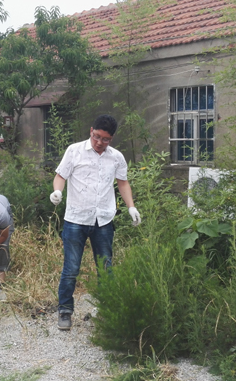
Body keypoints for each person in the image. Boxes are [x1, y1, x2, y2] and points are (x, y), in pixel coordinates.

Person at [49, 114, 141, 331]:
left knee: (105, 268)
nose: (99, 142)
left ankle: (106, 308)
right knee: (71, 268)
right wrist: (57, 192)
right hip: (76, 219)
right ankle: (65, 311)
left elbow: (123, 183)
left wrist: (131, 207)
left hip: (104, 221)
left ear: (112, 138)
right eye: (96, 136)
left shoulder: (116, 157)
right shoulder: (74, 151)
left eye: (105, 139)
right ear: (91, 131)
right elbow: (60, 176)